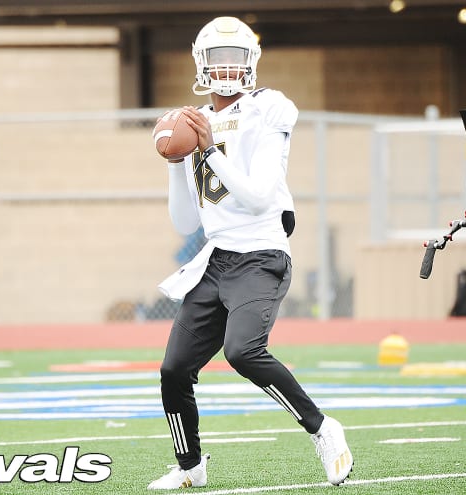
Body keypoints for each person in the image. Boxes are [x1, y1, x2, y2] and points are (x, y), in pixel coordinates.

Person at [147, 16, 354, 489]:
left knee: (243, 350)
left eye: (234, 58)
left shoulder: (268, 107)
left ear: (251, 62)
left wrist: (210, 149)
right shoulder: (196, 119)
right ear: (200, 64)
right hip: (217, 258)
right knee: (174, 368)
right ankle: (190, 468)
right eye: (215, 59)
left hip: (261, 255)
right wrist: (175, 162)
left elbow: (259, 196)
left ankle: (323, 428)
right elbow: (185, 222)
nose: (224, 69)